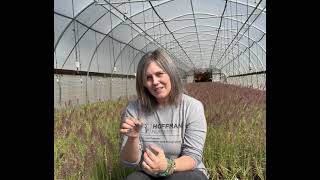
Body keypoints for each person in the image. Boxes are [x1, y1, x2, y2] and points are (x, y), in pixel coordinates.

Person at [119, 48, 209, 180]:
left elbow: (193, 156)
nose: (155, 82)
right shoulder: (134, 110)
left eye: (159, 74)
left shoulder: (192, 107)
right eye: (148, 78)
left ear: (171, 74)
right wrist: (133, 137)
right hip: (150, 174)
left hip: (185, 171)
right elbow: (129, 162)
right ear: (143, 83)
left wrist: (167, 166)